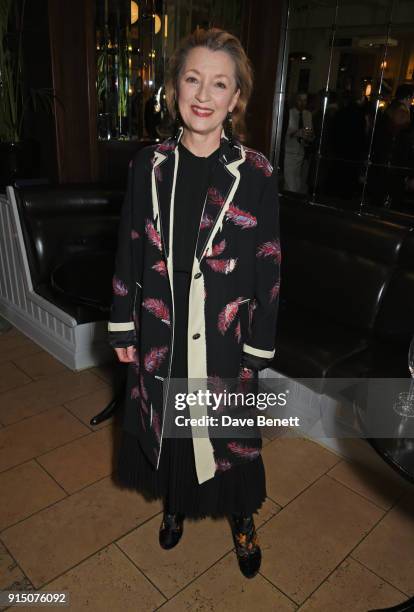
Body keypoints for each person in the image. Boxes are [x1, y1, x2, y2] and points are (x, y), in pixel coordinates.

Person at [108, 28, 280, 579]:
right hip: (162, 324)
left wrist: (258, 346)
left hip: (225, 332)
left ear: (236, 100)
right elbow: (129, 248)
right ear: (173, 88)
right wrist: (121, 327)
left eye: (219, 83)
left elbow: (270, 263)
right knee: (172, 426)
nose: (203, 94)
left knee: (228, 433)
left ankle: (241, 518)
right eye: (192, 79)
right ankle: (176, 500)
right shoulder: (147, 165)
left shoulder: (254, 172)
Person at [282, 92, 314, 194]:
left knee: (297, 182)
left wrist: (308, 136)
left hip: (301, 152)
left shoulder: (308, 114)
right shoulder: (289, 113)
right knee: (290, 183)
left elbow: (312, 135)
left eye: (304, 100)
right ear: (295, 100)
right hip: (289, 152)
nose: (302, 103)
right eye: (300, 100)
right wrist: (296, 133)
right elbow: (283, 133)